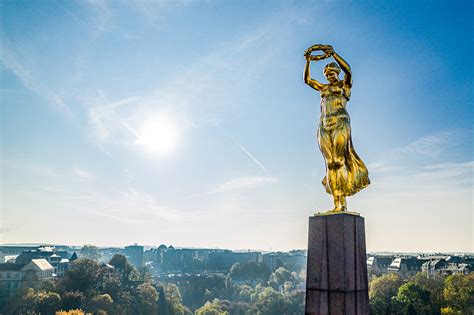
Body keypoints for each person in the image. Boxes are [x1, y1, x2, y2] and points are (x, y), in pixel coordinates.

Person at [304, 44, 370, 212]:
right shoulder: (323, 88)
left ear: (336, 73)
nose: (329, 76)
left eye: (332, 73)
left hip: (340, 123)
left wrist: (334, 55)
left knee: (339, 161)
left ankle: (343, 204)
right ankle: (335, 204)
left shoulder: (344, 85)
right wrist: (308, 61)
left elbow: (348, 71)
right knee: (330, 163)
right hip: (324, 126)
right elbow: (307, 80)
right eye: (327, 74)